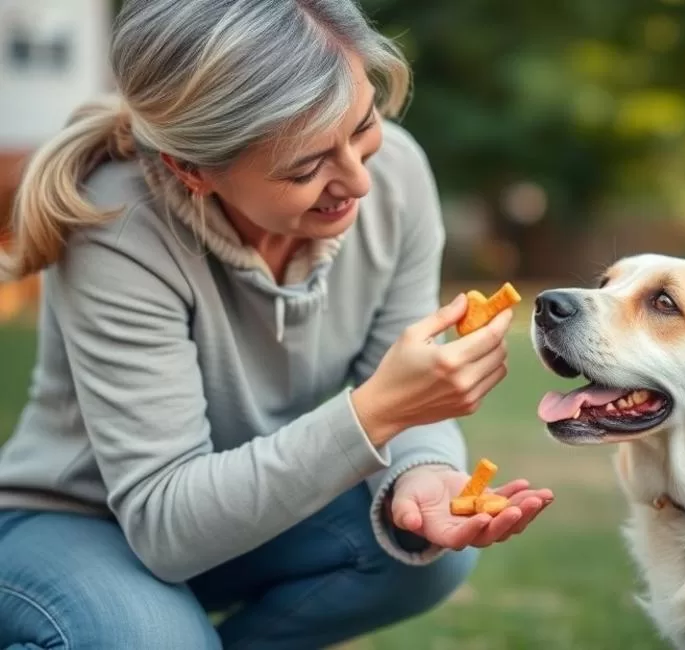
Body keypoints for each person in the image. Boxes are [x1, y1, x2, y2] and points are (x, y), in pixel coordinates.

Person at [0, 1, 553, 648]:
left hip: (229, 521)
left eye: (363, 124)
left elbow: (405, 389)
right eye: (305, 166)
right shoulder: (117, 226)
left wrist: (423, 473)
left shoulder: (396, 174)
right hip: (74, 520)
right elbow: (166, 528)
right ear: (192, 170)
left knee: (421, 542)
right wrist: (372, 414)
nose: (357, 179)